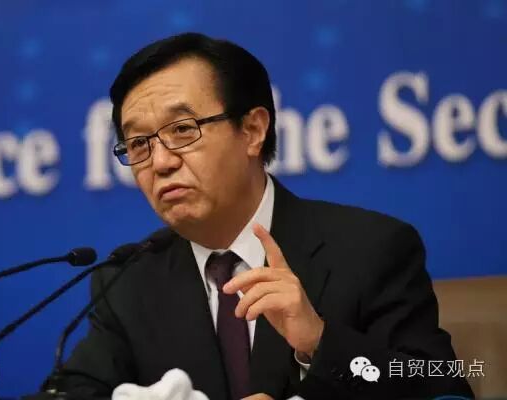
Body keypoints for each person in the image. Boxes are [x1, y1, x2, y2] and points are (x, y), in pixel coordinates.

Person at [59, 33, 473, 399]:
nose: (161, 162)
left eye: (182, 129)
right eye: (138, 144)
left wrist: (320, 342)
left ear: (253, 130)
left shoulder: (371, 249)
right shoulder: (128, 281)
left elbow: (441, 384)